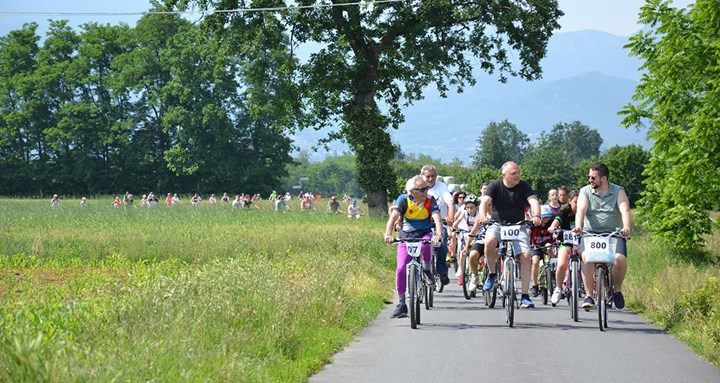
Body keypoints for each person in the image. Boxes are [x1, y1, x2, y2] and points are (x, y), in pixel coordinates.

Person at [476, 161, 542, 308]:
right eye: (513, 173)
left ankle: (525, 295)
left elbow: (533, 201)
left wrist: (536, 215)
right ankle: (492, 273)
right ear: (504, 175)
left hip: (518, 225)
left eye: (518, 172)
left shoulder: (524, 185)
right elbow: (484, 201)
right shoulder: (495, 185)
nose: (517, 176)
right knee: (489, 242)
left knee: (526, 256)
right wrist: (482, 216)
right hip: (498, 224)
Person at [574, 162, 632, 310]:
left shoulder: (618, 191)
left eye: (593, 178)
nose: (590, 180)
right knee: (587, 257)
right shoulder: (585, 191)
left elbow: (624, 209)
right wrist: (579, 226)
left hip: (613, 233)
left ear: (604, 178)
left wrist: (626, 228)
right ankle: (588, 295)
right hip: (590, 233)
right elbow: (581, 209)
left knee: (619, 259)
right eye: (589, 177)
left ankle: (617, 290)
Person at [384, 176, 443, 318]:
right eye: (422, 189)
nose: (426, 191)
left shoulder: (430, 200)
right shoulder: (403, 200)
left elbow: (436, 216)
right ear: (412, 191)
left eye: (427, 188)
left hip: (424, 233)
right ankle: (402, 303)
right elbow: (393, 217)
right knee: (400, 268)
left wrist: (439, 234)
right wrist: (388, 234)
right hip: (407, 235)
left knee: (426, 245)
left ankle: (427, 269)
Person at [421, 164, 454, 286]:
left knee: (442, 242)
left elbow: (450, 201)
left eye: (433, 176)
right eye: (427, 176)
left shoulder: (442, 187)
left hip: (440, 223)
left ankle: (442, 271)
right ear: (423, 177)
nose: (430, 179)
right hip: (423, 223)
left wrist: (450, 217)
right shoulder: (419, 186)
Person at [548, 190, 579, 305]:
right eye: (575, 202)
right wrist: (553, 227)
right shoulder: (565, 211)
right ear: (570, 201)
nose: (578, 205)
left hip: (581, 243)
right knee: (561, 264)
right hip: (566, 242)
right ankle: (558, 288)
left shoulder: (586, 211)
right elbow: (557, 220)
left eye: (580, 202)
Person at [453, 194, 482, 285]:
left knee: (480, 257)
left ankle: (480, 273)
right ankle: (462, 270)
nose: (469, 210)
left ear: (476, 207)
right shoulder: (464, 213)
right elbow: (457, 221)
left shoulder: (479, 215)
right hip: (466, 235)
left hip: (477, 236)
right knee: (462, 253)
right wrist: (455, 227)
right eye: (467, 207)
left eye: (472, 207)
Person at [529, 205, 554, 297]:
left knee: (550, 250)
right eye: (544, 217)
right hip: (535, 245)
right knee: (535, 262)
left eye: (548, 217)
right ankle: (535, 284)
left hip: (547, 244)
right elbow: (528, 232)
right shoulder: (534, 224)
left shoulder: (551, 223)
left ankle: (553, 271)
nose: (546, 219)